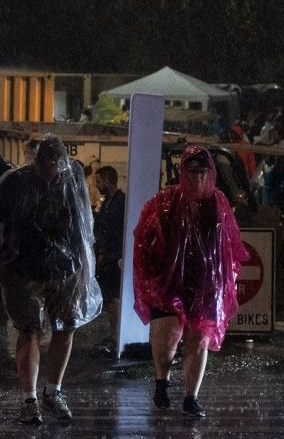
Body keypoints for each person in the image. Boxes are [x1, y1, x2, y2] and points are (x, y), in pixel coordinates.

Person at [0, 134, 102, 424]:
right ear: (37, 162)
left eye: (55, 167)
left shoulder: (72, 176)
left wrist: (85, 262)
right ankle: (29, 398)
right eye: (46, 166)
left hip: (66, 267)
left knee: (67, 326)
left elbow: (84, 222)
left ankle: (54, 391)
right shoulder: (15, 181)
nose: (51, 173)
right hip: (25, 268)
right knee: (29, 329)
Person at [132, 146, 244, 418]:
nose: (196, 178)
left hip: (204, 285)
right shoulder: (165, 200)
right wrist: (153, 273)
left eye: (202, 172)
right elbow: (144, 237)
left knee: (199, 341)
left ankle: (191, 397)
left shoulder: (218, 203)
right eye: (191, 172)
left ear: (210, 173)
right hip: (167, 282)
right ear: (183, 172)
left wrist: (223, 283)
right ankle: (162, 380)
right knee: (166, 340)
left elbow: (229, 247)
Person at [92, 165, 126, 353]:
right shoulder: (106, 203)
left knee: (114, 298)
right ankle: (114, 334)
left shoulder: (121, 202)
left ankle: (117, 335)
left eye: (99, 181)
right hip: (107, 256)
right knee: (110, 298)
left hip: (115, 257)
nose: (97, 185)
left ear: (107, 180)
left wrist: (116, 255)